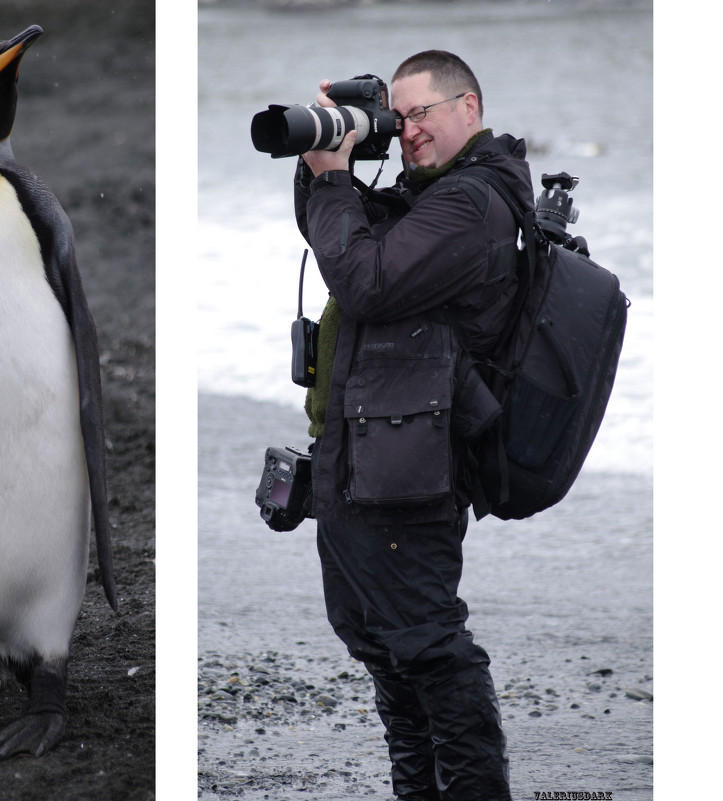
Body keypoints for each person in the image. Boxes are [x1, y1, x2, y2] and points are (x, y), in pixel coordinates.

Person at [293, 50, 534, 800]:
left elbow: (363, 281)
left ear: (469, 107)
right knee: (380, 645)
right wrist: (324, 158)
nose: (408, 133)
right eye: (398, 121)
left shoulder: (470, 205)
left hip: (411, 468)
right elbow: (338, 246)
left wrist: (335, 180)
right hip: (370, 452)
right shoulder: (424, 197)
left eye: (419, 114)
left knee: (427, 647)